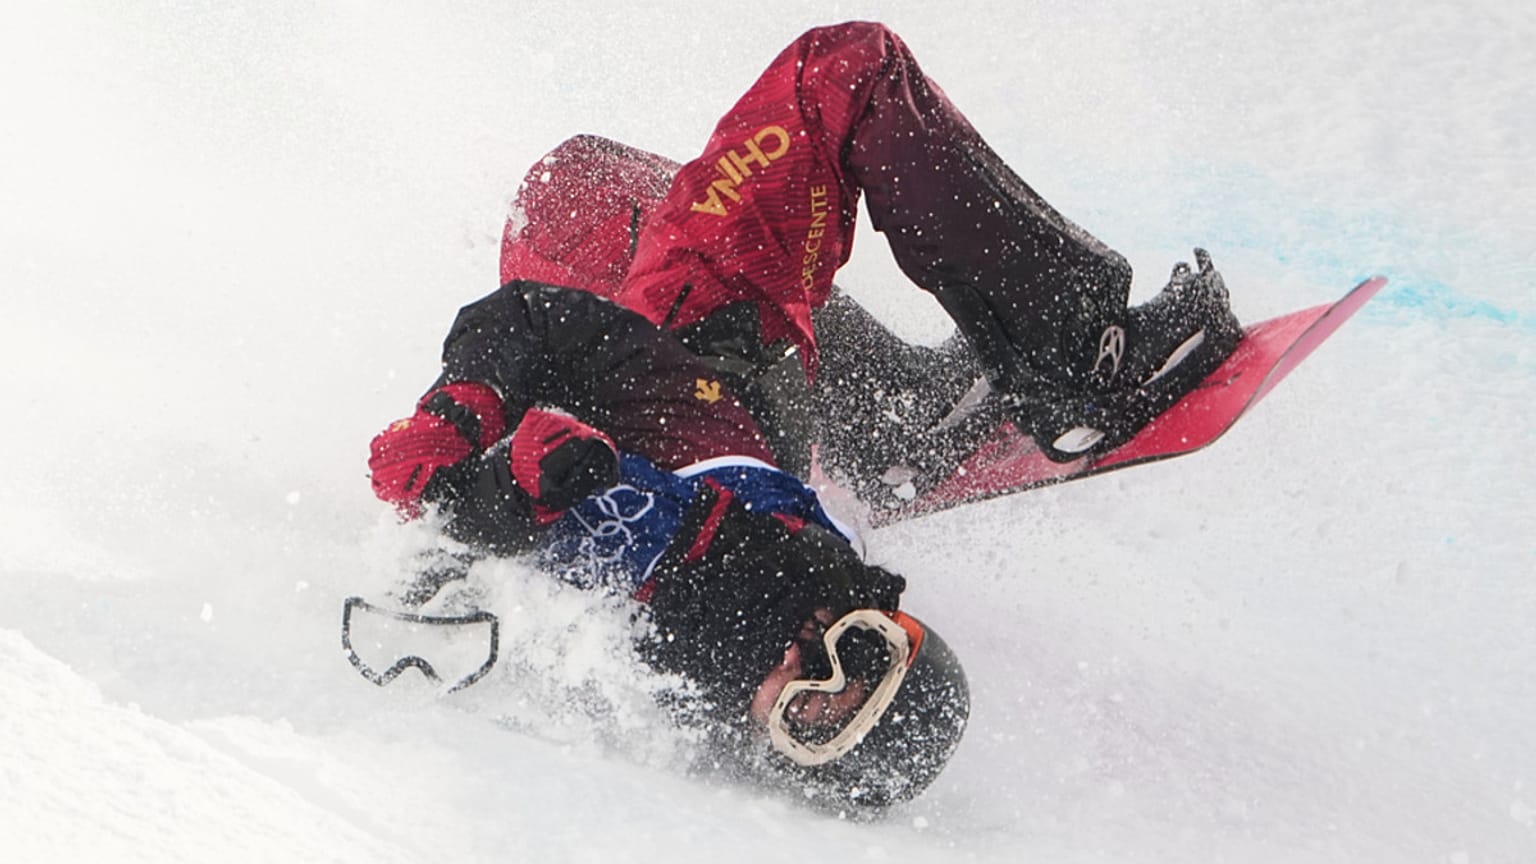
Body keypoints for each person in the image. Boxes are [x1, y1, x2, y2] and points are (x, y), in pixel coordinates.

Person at [365, 21, 1242, 809]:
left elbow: (523, 350)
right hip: (722, 379)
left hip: (681, 353)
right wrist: (469, 426)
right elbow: (535, 338)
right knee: (594, 194)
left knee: (832, 79)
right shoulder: (775, 571)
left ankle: (1055, 375)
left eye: (807, 711)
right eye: (860, 652)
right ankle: (1026, 365)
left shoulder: (635, 657)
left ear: (775, 745)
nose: (808, 658)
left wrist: (465, 457)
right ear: (884, 615)